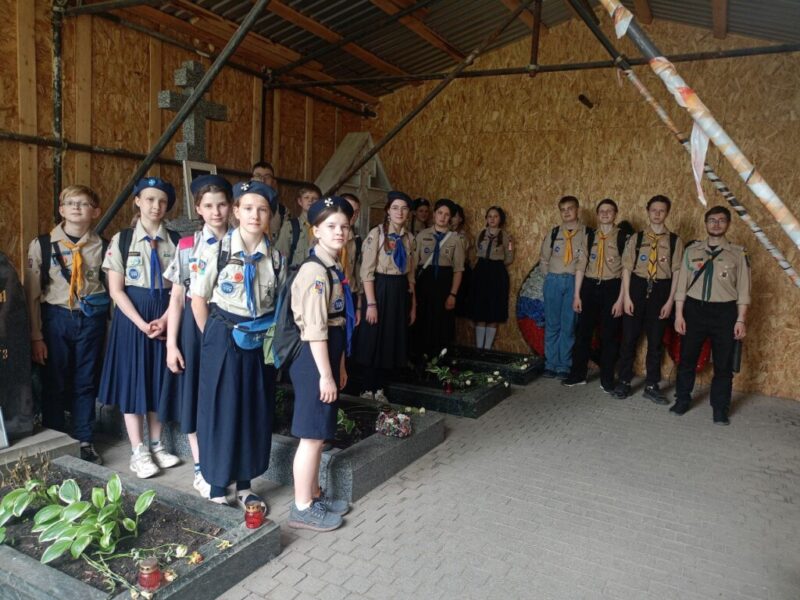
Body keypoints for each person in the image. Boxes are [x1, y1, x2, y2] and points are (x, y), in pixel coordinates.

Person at [191, 180, 285, 508]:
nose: (255, 215)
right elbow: (198, 300)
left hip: (258, 340)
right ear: (236, 211)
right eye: (248, 208)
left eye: (262, 210)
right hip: (222, 336)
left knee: (253, 409)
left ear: (270, 216)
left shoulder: (276, 259)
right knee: (220, 409)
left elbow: (278, 305)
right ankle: (217, 482)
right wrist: (212, 340)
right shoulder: (215, 251)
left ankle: (245, 484)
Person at [98, 177, 181, 478]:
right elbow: (116, 290)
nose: (156, 206)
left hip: (166, 315)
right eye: (149, 199)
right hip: (132, 318)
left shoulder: (176, 241)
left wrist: (166, 319)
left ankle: (157, 444)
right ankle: (138, 450)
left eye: (162, 201)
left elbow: (181, 287)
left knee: (158, 380)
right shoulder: (122, 240)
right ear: (137, 201)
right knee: (133, 381)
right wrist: (141, 323)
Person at [158, 174, 232, 498]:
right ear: (198, 209)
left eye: (222, 204)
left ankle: (226, 465)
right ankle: (201, 467)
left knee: (226, 395)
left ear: (231, 206)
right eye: (209, 206)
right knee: (195, 395)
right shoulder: (188, 246)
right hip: (194, 329)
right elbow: (176, 299)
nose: (216, 212)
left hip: (230, 325)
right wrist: (171, 345)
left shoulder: (242, 242)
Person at [25, 185, 108, 464]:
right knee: (54, 380)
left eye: (83, 204)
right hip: (55, 318)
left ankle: (85, 438)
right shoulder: (42, 244)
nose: (76, 208)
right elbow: (31, 294)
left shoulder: (103, 246)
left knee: (86, 380)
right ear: (61, 209)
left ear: (95, 212)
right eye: (70, 203)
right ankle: (57, 438)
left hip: (91, 319)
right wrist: (36, 336)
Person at [288, 196, 355, 532]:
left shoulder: (333, 266)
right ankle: (302, 507)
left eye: (344, 226)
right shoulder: (315, 271)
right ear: (315, 230)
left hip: (328, 354)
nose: (339, 231)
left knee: (319, 431)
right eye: (331, 226)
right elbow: (315, 329)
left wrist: (338, 367)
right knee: (312, 436)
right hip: (314, 358)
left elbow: (338, 321)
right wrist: (325, 375)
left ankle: (313, 494)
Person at [671, 206, 750, 425]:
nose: (716, 224)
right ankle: (682, 399)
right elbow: (681, 287)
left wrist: (740, 319)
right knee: (687, 359)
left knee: (723, 364)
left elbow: (744, 290)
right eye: (712, 220)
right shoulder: (692, 251)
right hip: (694, 310)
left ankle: (720, 408)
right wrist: (679, 315)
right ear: (706, 223)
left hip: (725, 313)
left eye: (721, 220)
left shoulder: (738, 254)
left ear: (728, 224)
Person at [614, 195, 684, 402]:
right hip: (637, 288)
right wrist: (627, 297)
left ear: (667, 213)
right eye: (654, 210)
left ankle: (652, 385)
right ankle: (624, 381)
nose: (657, 214)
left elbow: (677, 272)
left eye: (661, 210)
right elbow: (626, 269)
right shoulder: (636, 239)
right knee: (629, 339)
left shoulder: (674, 241)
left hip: (661, 291)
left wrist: (670, 301)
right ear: (648, 211)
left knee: (655, 342)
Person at [352, 191, 417, 401]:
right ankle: (366, 388)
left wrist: (413, 305)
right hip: (379, 289)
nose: (400, 212)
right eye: (395, 208)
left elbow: (411, 276)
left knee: (390, 338)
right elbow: (366, 272)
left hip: (399, 291)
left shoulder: (409, 238)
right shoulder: (377, 234)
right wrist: (371, 304)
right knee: (373, 338)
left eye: (404, 208)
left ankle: (380, 388)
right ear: (388, 211)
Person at [563, 199, 628, 391]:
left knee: (609, 335)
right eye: (601, 211)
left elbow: (626, 271)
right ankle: (578, 374)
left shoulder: (623, 237)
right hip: (590, 286)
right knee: (583, 333)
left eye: (609, 211)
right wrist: (577, 295)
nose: (605, 214)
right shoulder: (590, 236)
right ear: (597, 214)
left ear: (615, 214)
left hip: (612, 287)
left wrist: (621, 299)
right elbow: (581, 266)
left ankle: (607, 379)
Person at [539, 196, 586, 377]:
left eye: (570, 208)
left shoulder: (586, 233)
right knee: (552, 324)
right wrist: (550, 277)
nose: (566, 212)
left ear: (577, 209)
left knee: (569, 325)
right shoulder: (554, 233)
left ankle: (564, 365)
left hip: (574, 281)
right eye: (563, 209)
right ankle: (550, 364)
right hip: (554, 280)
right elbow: (544, 259)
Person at [413, 198, 465, 360]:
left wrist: (453, 294)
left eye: (447, 214)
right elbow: (413, 266)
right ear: (434, 214)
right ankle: (420, 360)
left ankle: (440, 361)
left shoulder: (455, 239)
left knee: (442, 324)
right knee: (422, 321)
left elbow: (458, 270)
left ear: (450, 218)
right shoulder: (422, 236)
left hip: (444, 285)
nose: (443, 217)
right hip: (424, 284)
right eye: (440, 213)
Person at [470, 206, 514, 351]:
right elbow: (477, 250)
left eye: (495, 216)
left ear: (500, 219)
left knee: (494, 311)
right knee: (480, 310)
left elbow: (509, 257)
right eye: (489, 216)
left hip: (497, 274)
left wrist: (496, 264)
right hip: (481, 272)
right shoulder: (481, 234)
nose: (492, 219)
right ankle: (479, 349)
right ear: (486, 219)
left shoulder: (506, 236)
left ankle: (487, 349)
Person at [275, 183, 322, 270]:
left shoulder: (323, 228)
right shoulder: (290, 226)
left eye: (314, 198)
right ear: (300, 201)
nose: (310, 201)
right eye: (306, 197)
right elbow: (280, 257)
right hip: (296, 274)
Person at [341, 193, 364, 324]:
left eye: (356, 212)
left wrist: (359, 307)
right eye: (349, 209)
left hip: (350, 296)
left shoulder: (357, 240)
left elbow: (358, 274)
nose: (353, 215)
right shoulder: (324, 238)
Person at [252, 161, 286, 242]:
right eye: (258, 176)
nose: (262, 180)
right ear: (251, 180)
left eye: (267, 177)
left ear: (273, 182)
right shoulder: (240, 207)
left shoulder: (283, 212)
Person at [450, 203, 473, 320]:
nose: (451, 218)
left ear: (460, 219)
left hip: (459, 271)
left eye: (454, 216)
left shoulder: (463, 236)